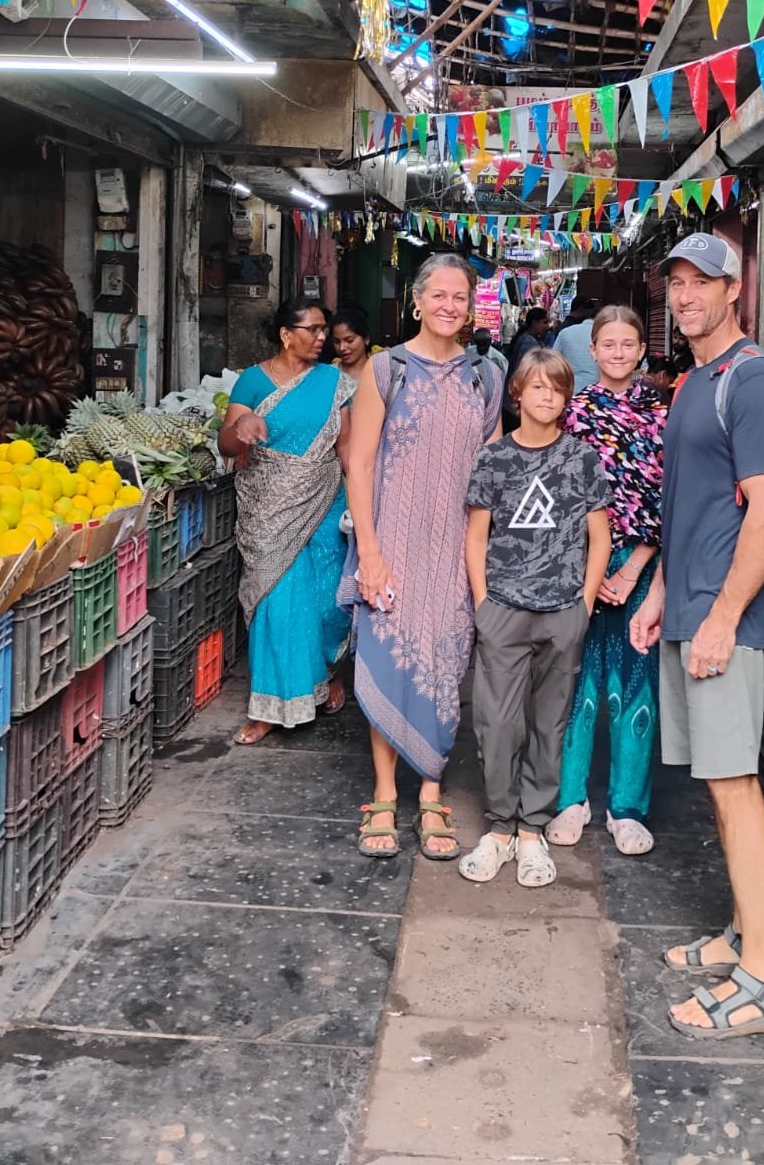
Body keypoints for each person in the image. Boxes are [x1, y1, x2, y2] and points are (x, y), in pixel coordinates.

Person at [630, 231, 764, 1041]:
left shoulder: (756, 381)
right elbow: (690, 506)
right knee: (725, 782)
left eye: (703, 281)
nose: (687, 295)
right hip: (694, 604)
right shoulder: (695, 380)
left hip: (727, 618)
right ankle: (745, 931)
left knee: (734, 786)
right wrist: (661, 592)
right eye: (676, 282)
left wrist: (724, 618)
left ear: (736, 288)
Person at [343, 254, 502, 859]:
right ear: (417, 301)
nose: (448, 306)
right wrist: (370, 552)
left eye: (459, 297)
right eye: (438, 295)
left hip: (455, 550)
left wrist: (481, 560)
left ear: (470, 307)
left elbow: (490, 477)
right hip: (393, 544)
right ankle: (385, 794)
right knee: (388, 660)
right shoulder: (386, 370)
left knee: (444, 665)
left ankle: (431, 791)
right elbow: (360, 465)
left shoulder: (485, 377)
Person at [460, 350, 612, 888]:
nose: (548, 397)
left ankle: (532, 832)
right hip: (503, 608)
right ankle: (500, 827)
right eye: (538, 387)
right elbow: (476, 536)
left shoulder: (582, 459)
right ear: (517, 393)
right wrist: (483, 604)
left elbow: (600, 538)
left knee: (550, 725)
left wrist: (584, 605)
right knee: (497, 723)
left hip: (563, 611)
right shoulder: (494, 458)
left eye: (558, 389)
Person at [547, 306, 667, 857]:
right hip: (578, 563)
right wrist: (589, 570)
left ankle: (627, 806)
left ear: (641, 350)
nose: (618, 353)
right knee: (575, 680)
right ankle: (570, 798)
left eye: (628, 344)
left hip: (641, 564)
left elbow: (670, 499)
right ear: (591, 351)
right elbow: (557, 498)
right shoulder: (572, 414)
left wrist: (633, 566)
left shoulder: (662, 415)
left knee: (635, 679)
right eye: (608, 344)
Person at [220, 296, 355, 743]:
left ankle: (326, 675)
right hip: (269, 511)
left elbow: (347, 451)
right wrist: (240, 429)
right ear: (285, 334)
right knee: (277, 601)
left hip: (325, 504)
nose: (322, 338)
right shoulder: (253, 381)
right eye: (312, 330)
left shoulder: (333, 381)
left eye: (323, 329)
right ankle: (268, 707)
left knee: (327, 601)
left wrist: (363, 507)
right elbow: (226, 443)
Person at [553, 296, 598, 394]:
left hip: (571, 389)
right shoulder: (603, 334)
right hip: (597, 391)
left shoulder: (564, 331)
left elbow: (553, 362)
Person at [330, 308, 373, 382]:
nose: (342, 348)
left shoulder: (380, 373)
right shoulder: (328, 375)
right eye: (337, 342)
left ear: (366, 339)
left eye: (349, 340)